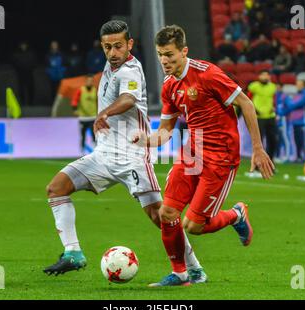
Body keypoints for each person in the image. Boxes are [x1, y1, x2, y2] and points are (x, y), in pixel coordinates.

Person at [43, 21, 207, 284]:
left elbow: (128, 99)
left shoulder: (130, 69)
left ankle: (194, 268)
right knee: (56, 189)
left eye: (118, 46)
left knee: (160, 216)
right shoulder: (111, 65)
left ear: (129, 44)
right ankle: (73, 252)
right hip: (103, 155)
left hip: (131, 155)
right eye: (107, 47)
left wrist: (105, 112)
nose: (112, 52)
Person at [133, 25, 274, 287]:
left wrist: (257, 148)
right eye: (161, 55)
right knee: (168, 213)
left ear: (184, 52)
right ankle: (181, 274)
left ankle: (236, 214)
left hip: (221, 156)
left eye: (170, 56)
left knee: (194, 226)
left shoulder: (208, 74)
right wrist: (148, 141)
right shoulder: (169, 86)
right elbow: (165, 130)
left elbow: (245, 103)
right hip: (192, 150)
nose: (164, 61)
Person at [277, 80, 305, 162]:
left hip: (302, 121)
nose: (297, 85)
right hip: (295, 121)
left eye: (299, 84)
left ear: (303, 85)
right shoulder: (298, 94)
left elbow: (295, 104)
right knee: (297, 140)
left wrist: (289, 102)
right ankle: (299, 156)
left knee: (303, 139)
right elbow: (291, 105)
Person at [248, 70, 278, 162]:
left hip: (270, 116)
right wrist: (254, 110)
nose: (265, 77)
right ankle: (257, 165)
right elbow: (247, 99)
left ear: (269, 77)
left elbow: (275, 99)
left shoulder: (273, 87)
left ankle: (269, 163)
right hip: (258, 117)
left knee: (273, 141)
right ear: (259, 77)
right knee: (258, 142)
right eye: (263, 75)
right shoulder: (253, 86)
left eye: (267, 75)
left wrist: (274, 107)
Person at [71, 74, 97, 154]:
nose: (90, 82)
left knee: (94, 135)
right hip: (83, 117)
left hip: (93, 116)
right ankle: (82, 152)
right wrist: (75, 109)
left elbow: (99, 101)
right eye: (88, 81)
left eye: (91, 81)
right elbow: (74, 100)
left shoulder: (95, 90)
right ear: (85, 81)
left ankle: (95, 151)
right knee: (83, 135)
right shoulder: (80, 90)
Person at [12, 41, 37, 106]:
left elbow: (34, 62)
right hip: (20, 74)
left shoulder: (31, 53)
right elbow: (14, 63)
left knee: (30, 88)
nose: (23, 47)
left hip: (29, 73)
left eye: (24, 45)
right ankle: (22, 102)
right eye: (22, 45)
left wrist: (30, 68)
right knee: (21, 89)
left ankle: (30, 102)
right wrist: (19, 69)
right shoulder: (17, 54)